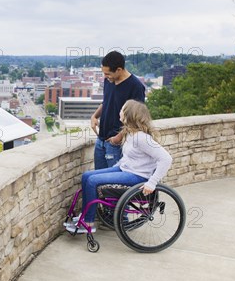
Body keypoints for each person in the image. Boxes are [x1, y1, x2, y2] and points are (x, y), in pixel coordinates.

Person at [67, 100, 172, 234]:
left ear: (129, 114)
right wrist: (114, 168)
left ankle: (88, 223)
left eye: (122, 109)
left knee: (93, 181)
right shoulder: (130, 133)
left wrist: (152, 183)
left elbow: (166, 158)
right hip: (126, 169)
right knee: (87, 175)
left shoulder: (141, 138)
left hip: (138, 176)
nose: (119, 111)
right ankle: (86, 215)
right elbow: (129, 158)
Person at [91, 51, 146, 169]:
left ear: (119, 70)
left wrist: (119, 137)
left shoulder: (136, 87)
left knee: (113, 184)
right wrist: (95, 116)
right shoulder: (109, 80)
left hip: (117, 144)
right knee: (98, 179)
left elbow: (137, 120)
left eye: (108, 74)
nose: (105, 77)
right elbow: (107, 102)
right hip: (101, 140)